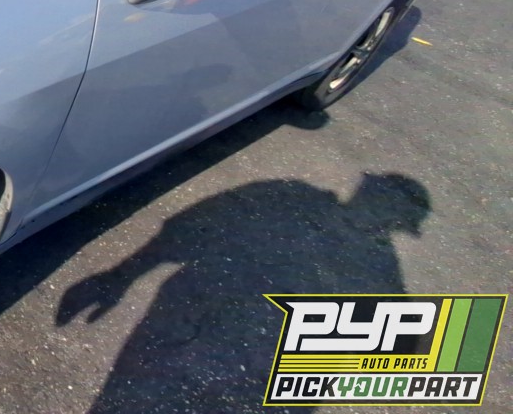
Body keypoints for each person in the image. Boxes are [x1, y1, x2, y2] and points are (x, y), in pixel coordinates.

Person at [58, 173, 431, 413]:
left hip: (237, 372)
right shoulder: (293, 200)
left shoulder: (379, 269)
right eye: (393, 215)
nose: (387, 222)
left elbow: (395, 350)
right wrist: (120, 277)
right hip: (185, 334)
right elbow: (189, 228)